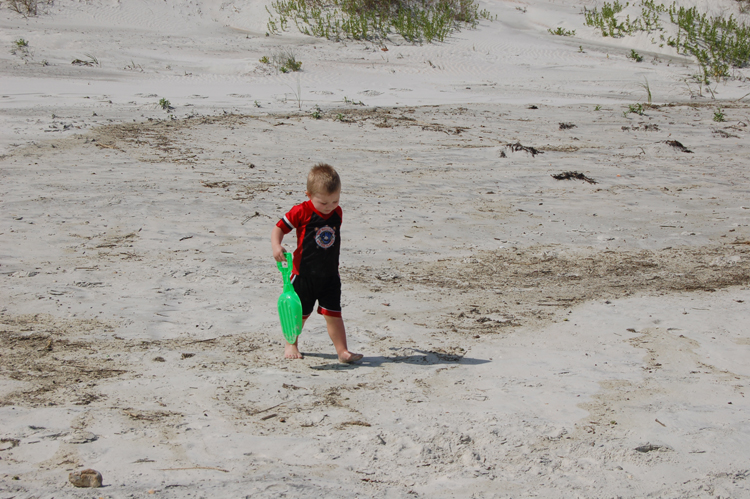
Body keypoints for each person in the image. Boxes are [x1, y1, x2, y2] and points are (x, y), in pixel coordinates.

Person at [271, 163, 363, 363]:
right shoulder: (301, 211)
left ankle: (342, 351)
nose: (329, 206)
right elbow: (279, 228)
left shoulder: (337, 213)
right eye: (323, 203)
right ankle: (291, 344)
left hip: (330, 275)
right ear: (308, 194)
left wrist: (332, 206)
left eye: (335, 201)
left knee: (334, 314)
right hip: (304, 274)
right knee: (299, 314)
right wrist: (276, 246)